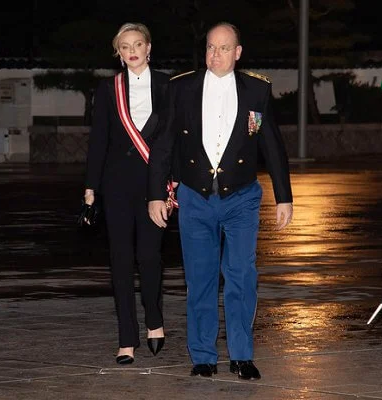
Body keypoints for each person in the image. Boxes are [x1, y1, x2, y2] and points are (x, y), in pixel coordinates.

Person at [148, 22, 293, 380]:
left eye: (224, 48)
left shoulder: (257, 91)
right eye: (211, 47)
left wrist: (283, 197)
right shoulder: (180, 88)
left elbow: (270, 144)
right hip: (195, 197)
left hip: (241, 196)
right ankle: (203, 356)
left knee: (242, 275)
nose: (216, 54)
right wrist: (155, 194)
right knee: (200, 278)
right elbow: (164, 145)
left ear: (238, 52)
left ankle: (242, 356)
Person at [82, 23, 169, 364]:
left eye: (137, 44)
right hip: (116, 184)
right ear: (117, 52)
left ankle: (155, 320)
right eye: (124, 46)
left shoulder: (167, 85)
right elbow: (99, 139)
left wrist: (173, 181)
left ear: (149, 47)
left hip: (155, 186)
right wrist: (91, 187)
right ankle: (126, 338)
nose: (131, 51)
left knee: (149, 258)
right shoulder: (108, 88)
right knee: (120, 262)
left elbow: (175, 137)